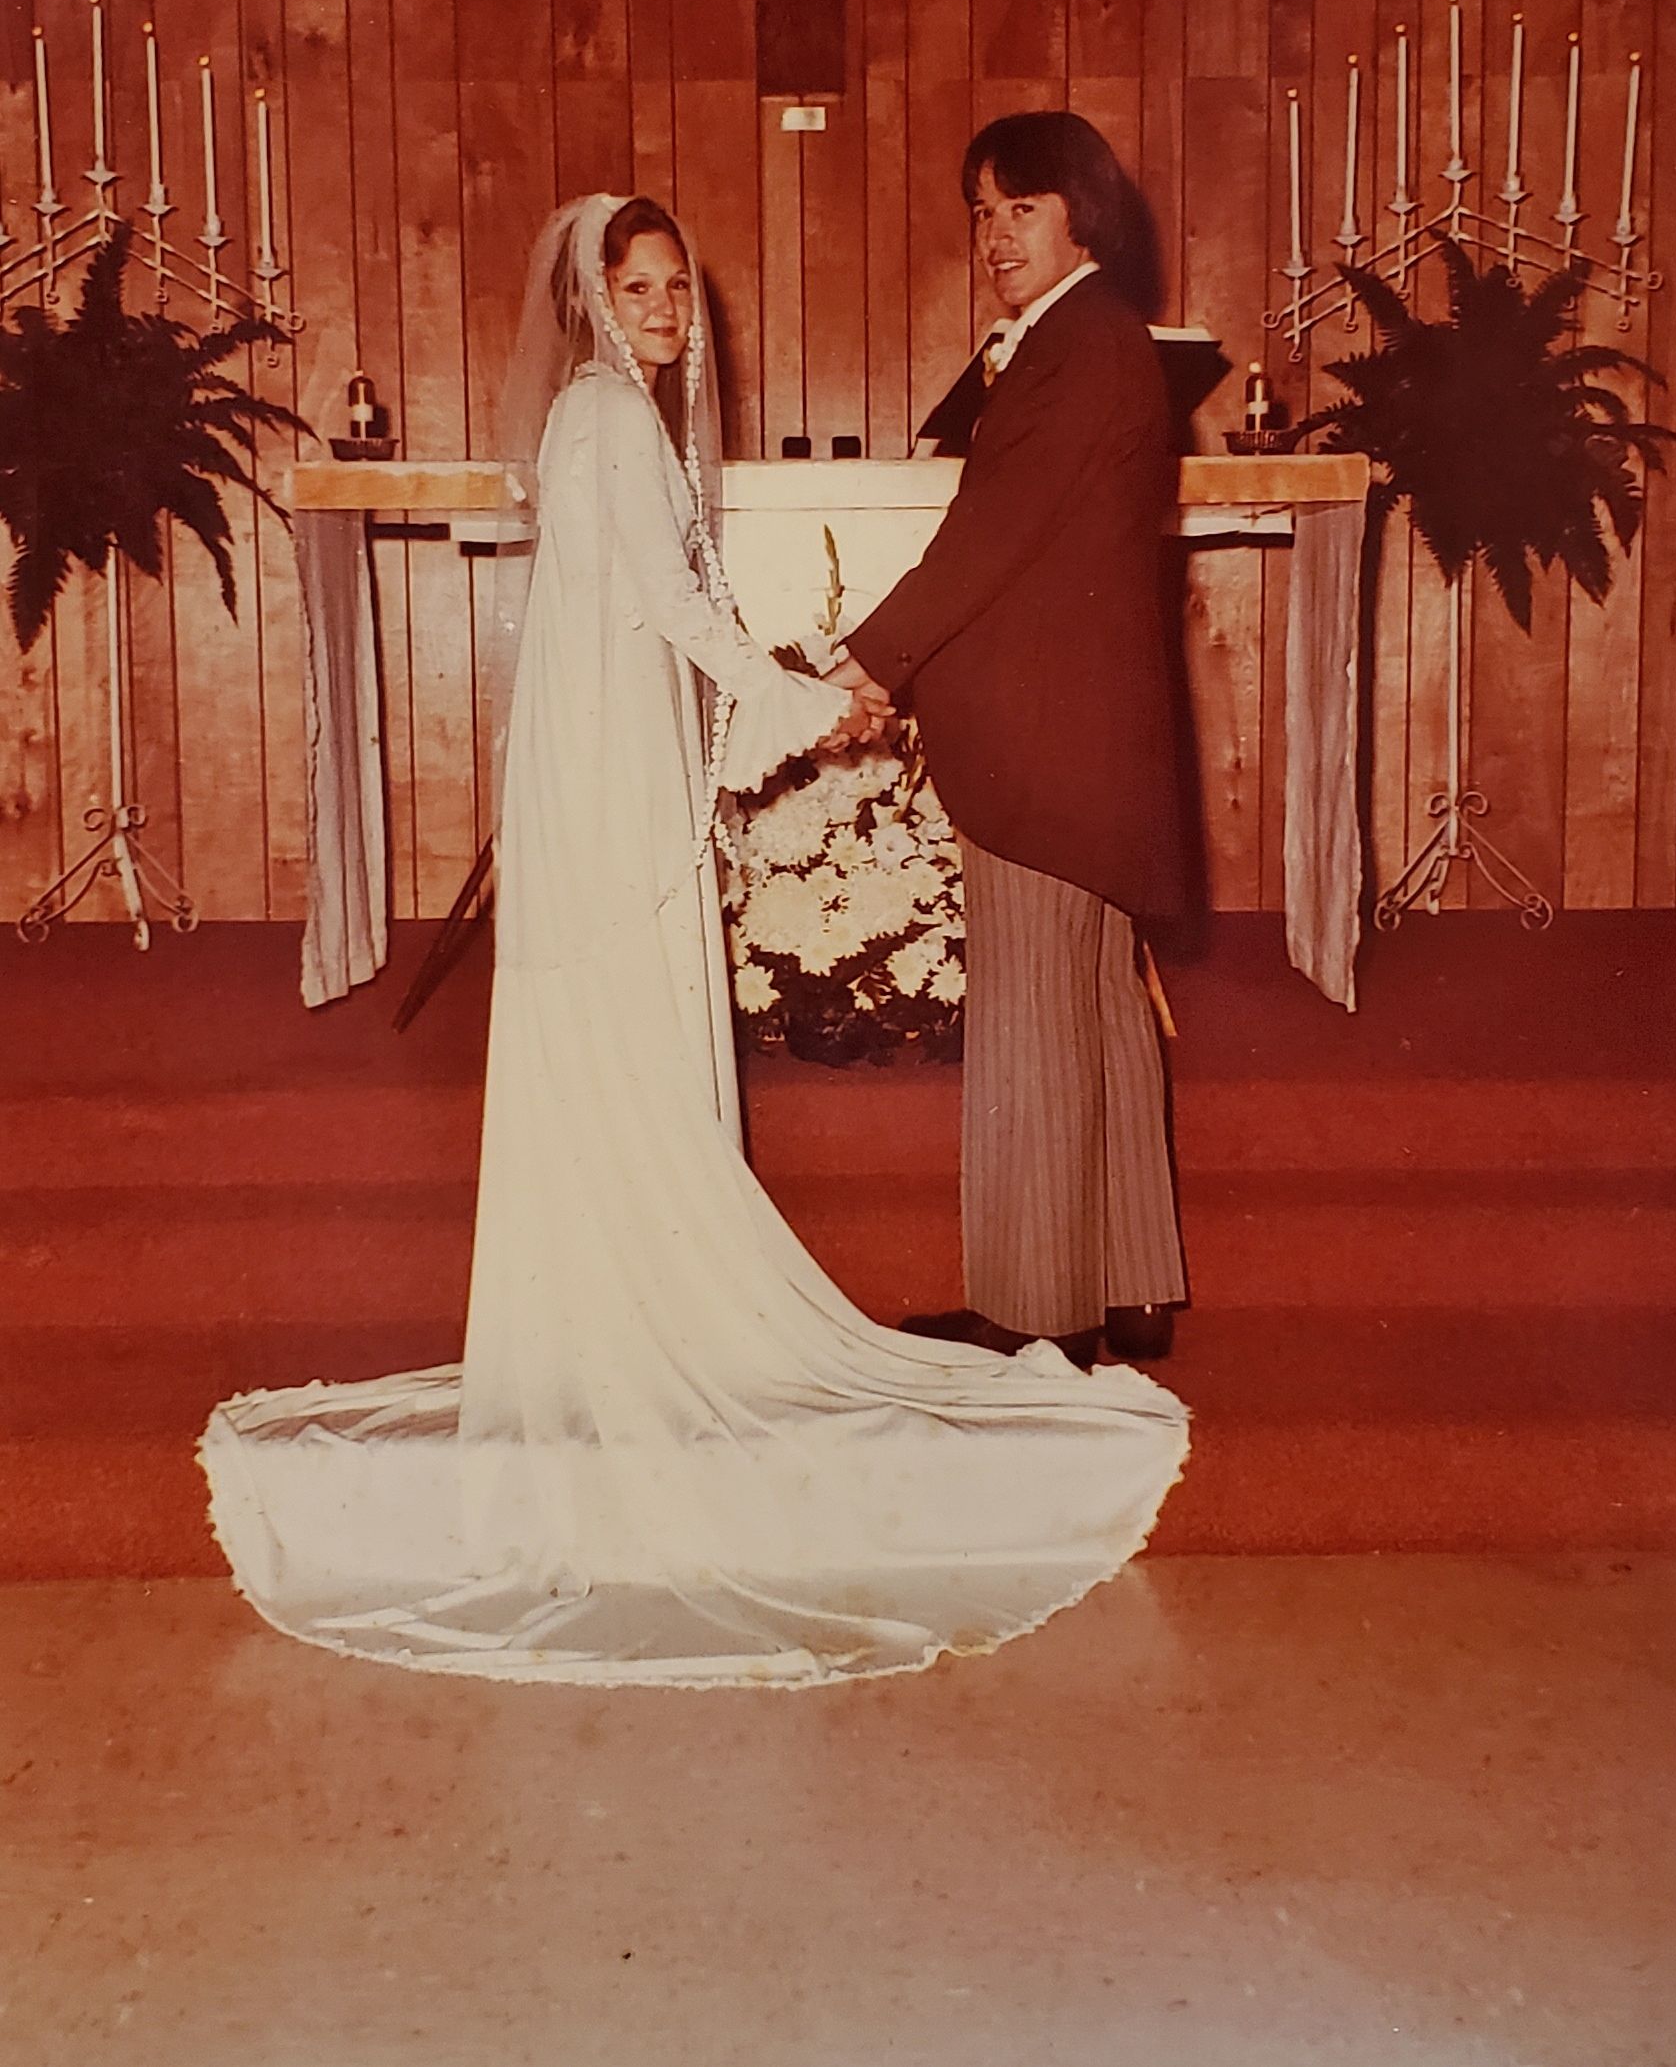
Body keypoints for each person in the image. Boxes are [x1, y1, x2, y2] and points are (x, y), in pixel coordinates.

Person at [199, 193, 1187, 1689]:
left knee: (636, 1028)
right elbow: (668, 599)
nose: (666, 310)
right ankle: (623, 1319)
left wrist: (786, 695)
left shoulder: (629, 420)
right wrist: (798, 698)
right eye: (639, 286)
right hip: (603, 764)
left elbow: (682, 597)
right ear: (590, 300)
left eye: (676, 287)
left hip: (625, 742)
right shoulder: (604, 417)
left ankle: (619, 1306)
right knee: (620, 1013)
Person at [834, 114, 1191, 1371]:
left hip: (1041, 745)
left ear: (1080, 212)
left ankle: (1034, 1307)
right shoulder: (1094, 340)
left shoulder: (1071, 350)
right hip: (1086, 735)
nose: (993, 235)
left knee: (1039, 1017)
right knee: (1094, 1004)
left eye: (1019, 207)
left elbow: (983, 540)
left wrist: (864, 664)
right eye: (980, 212)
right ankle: (1131, 1282)